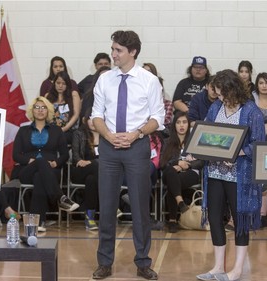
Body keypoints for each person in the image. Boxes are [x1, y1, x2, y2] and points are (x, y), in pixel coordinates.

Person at [91, 30, 164, 280]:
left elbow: (158, 118)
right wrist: (108, 135)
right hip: (109, 148)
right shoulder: (104, 80)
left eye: (118, 50)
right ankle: (104, 262)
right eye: (112, 49)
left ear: (132, 52)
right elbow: (96, 116)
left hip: (137, 147)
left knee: (140, 207)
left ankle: (143, 262)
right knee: (108, 206)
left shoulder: (149, 80)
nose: (113, 54)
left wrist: (136, 133)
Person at [196, 69, 265, 281]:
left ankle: (236, 269)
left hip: (240, 174)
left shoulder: (251, 110)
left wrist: (237, 153)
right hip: (215, 172)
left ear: (232, 89)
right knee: (215, 218)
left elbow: (259, 144)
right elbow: (206, 133)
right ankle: (218, 266)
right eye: (217, 93)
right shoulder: (216, 106)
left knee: (240, 219)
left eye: (222, 92)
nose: (219, 97)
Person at [11, 97, 79, 232]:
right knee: (40, 162)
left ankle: (38, 222)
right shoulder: (23, 130)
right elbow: (16, 155)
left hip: (50, 170)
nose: (40, 110)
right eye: (37, 107)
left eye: (43, 108)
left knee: (40, 177)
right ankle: (61, 197)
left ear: (48, 111)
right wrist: (29, 161)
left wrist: (56, 163)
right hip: (26, 170)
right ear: (32, 111)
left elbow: (65, 154)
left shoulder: (57, 131)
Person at [160, 111, 204, 233]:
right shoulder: (168, 142)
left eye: (184, 122)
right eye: (178, 122)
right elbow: (162, 163)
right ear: (174, 125)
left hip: (190, 173)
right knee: (170, 173)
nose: (181, 125)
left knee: (172, 183)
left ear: (189, 124)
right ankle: (181, 203)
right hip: (171, 173)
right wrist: (177, 163)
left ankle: (173, 220)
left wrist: (186, 166)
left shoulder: (195, 142)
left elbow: (201, 162)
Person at [71, 111, 100, 230]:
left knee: (92, 179)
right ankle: (111, 206)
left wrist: (92, 162)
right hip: (80, 170)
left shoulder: (106, 135)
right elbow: (75, 156)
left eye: (96, 118)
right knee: (97, 166)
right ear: (85, 120)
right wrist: (83, 162)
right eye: (90, 118)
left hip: (99, 173)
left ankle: (90, 217)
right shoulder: (79, 134)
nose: (93, 122)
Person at [45, 71, 81, 144]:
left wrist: (64, 129)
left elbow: (76, 115)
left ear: (67, 85)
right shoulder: (47, 96)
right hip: (51, 130)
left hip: (68, 130)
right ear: (54, 83)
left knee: (60, 138)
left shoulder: (73, 94)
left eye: (64, 83)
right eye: (58, 83)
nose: (60, 86)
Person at [251, 72, 267, 228]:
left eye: (266, 83)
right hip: (257, 145)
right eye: (261, 83)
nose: (264, 86)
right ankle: (258, 215)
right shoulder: (251, 101)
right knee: (259, 180)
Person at [142, 62, 173, 135]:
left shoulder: (165, 100)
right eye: (144, 71)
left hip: (158, 131)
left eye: (149, 71)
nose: (146, 73)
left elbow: (165, 120)